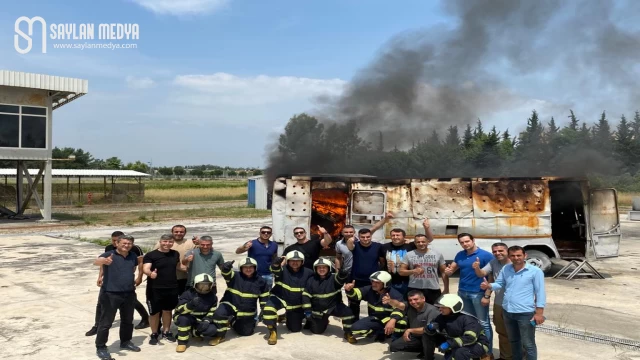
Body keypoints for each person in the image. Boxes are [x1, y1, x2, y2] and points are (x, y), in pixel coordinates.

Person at [481, 246, 546, 360]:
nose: (516, 258)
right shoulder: (506, 268)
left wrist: (539, 313)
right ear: (509, 256)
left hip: (525, 313)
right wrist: (489, 286)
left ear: (525, 256)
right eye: (513, 256)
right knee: (514, 341)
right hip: (508, 311)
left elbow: (540, 292)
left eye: (519, 255)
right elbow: (499, 283)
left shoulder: (535, 271)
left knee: (528, 344)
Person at [86, 231, 149, 336]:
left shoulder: (134, 249)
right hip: (110, 282)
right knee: (100, 303)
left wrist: (139, 277)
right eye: (113, 240)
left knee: (133, 302)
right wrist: (100, 276)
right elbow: (102, 262)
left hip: (126, 283)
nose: (115, 243)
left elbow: (140, 262)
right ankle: (97, 326)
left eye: (117, 240)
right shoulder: (109, 248)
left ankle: (145, 318)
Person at [93, 235, 142, 360]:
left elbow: (137, 265)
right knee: (106, 322)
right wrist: (104, 262)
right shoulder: (109, 254)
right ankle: (101, 347)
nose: (126, 245)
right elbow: (96, 261)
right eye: (124, 243)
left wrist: (137, 278)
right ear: (117, 243)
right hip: (110, 294)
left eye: (129, 243)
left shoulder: (132, 256)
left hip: (129, 293)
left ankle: (125, 341)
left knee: (127, 320)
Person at [444, 233, 494, 347]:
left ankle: (487, 351)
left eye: (467, 241)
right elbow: (452, 269)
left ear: (473, 240)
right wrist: (448, 272)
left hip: (478, 293)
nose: (465, 244)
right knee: (469, 322)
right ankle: (473, 346)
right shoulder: (460, 255)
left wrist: (487, 295)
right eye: (462, 242)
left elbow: (492, 277)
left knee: (484, 323)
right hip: (462, 292)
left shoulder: (486, 255)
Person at [208, 257, 270, 345]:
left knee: (246, 332)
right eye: (245, 267)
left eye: (251, 267)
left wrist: (265, 310)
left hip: (247, 309)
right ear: (241, 268)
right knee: (219, 314)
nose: (248, 269)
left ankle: (232, 321)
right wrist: (225, 268)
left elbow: (264, 298)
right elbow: (226, 273)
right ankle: (220, 335)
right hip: (230, 304)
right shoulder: (234, 276)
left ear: (255, 268)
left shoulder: (261, 281)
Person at [262, 250, 315, 345]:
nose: (295, 263)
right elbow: (274, 269)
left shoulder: (309, 272)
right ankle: (272, 332)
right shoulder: (282, 270)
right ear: (288, 261)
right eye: (292, 260)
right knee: (269, 309)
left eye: (298, 260)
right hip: (280, 298)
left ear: (302, 261)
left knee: (295, 329)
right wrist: (275, 264)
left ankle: (286, 316)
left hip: (295, 304)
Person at [143, 234, 186, 345]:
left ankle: (166, 332)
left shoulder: (175, 254)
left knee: (167, 311)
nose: (167, 244)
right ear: (160, 242)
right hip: (154, 289)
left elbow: (178, 266)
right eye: (165, 241)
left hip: (172, 287)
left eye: (170, 242)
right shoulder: (151, 255)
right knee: (154, 313)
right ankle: (154, 333)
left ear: (173, 243)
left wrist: (190, 269)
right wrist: (150, 273)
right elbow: (146, 268)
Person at [302, 258, 355, 342]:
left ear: (329, 268)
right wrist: (308, 311)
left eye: (324, 267)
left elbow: (340, 279)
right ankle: (313, 321)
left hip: (333, 306)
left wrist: (342, 273)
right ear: (315, 269)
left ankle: (348, 332)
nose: (321, 269)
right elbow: (305, 296)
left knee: (348, 312)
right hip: (319, 310)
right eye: (319, 267)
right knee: (317, 331)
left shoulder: (334, 277)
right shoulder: (311, 280)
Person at [424, 294, 492, 360]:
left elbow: (470, 338)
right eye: (440, 307)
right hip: (456, 343)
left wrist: (449, 344)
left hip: (477, 344)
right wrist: (429, 328)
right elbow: (429, 329)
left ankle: (476, 357)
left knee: (460, 352)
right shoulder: (441, 317)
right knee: (427, 335)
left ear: (453, 307)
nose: (440, 309)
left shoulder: (468, 320)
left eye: (443, 307)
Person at [345, 271, 407, 343]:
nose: (373, 284)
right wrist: (349, 290)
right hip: (375, 319)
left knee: (402, 322)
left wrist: (392, 320)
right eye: (372, 281)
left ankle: (396, 338)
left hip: (389, 319)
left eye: (377, 282)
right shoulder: (369, 290)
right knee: (355, 328)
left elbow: (401, 309)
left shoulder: (395, 294)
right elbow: (357, 294)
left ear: (385, 284)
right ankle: (381, 333)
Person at [475, 242, 512, 360]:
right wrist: (477, 268)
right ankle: (505, 356)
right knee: (502, 332)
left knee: (519, 333)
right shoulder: (493, 262)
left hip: (516, 305)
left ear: (507, 251)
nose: (497, 253)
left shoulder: (516, 264)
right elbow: (483, 274)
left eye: (501, 251)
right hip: (499, 303)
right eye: (495, 251)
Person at [173, 273, 219, 353]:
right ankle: (182, 343)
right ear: (195, 285)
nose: (203, 288)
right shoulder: (187, 294)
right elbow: (179, 310)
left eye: (207, 285)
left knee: (212, 330)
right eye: (201, 285)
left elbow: (212, 311)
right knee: (184, 319)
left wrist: (207, 320)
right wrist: (189, 305)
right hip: (185, 317)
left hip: (199, 319)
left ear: (211, 286)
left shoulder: (213, 297)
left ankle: (194, 332)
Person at [347, 228, 386, 320]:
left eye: (368, 237)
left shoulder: (378, 246)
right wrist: (350, 240)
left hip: (372, 282)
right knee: (354, 304)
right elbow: (349, 246)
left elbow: (382, 262)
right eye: (363, 237)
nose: (365, 239)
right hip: (356, 280)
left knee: (373, 305)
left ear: (371, 236)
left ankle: (371, 326)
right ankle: (353, 326)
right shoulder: (355, 246)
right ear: (359, 237)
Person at [399, 233, 449, 304]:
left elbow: (444, 272)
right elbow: (401, 272)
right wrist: (413, 271)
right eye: (418, 242)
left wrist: (446, 288)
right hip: (414, 287)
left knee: (434, 310)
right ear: (415, 243)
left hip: (433, 288)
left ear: (428, 242)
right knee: (414, 310)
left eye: (423, 241)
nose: (421, 244)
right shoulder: (409, 255)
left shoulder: (437, 254)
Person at [388, 290, 439, 356]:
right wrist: (390, 301)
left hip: (429, 336)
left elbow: (429, 330)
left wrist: (409, 330)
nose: (413, 302)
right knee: (394, 346)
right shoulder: (410, 306)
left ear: (423, 299)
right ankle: (423, 349)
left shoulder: (432, 310)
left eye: (415, 299)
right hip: (415, 336)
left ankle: (429, 354)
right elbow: (398, 304)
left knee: (427, 337)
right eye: (410, 300)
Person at [153, 225, 195, 295]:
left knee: (184, 299)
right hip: (166, 278)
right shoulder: (162, 243)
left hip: (185, 277)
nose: (179, 233)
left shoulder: (191, 243)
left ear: (185, 233)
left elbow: (205, 252)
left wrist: (199, 242)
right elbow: (154, 257)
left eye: (181, 232)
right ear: (172, 232)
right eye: (176, 232)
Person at [380, 227, 416, 298]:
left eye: (398, 235)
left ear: (404, 237)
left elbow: (428, 239)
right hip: (390, 281)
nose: (395, 237)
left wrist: (426, 228)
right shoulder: (384, 247)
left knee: (406, 301)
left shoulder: (410, 246)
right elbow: (382, 261)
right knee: (390, 301)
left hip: (407, 281)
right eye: (393, 235)